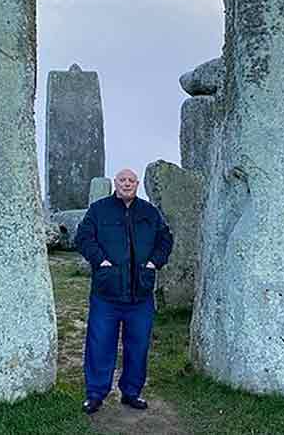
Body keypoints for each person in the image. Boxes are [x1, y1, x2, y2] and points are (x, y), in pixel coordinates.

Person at [75, 168, 173, 415]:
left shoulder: (149, 212)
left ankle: (132, 392)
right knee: (99, 345)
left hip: (140, 294)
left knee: (138, 346)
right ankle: (95, 395)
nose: (126, 184)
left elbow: (165, 239)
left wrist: (154, 262)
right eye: (122, 180)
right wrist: (100, 261)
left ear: (137, 184)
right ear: (115, 184)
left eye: (131, 180)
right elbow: (83, 237)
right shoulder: (99, 210)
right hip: (106, 293)